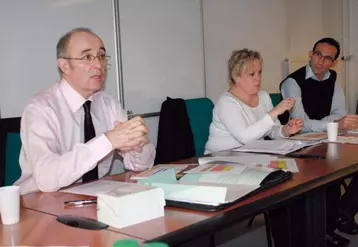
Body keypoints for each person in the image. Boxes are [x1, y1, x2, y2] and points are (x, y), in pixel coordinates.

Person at [15, 27, 155, 195]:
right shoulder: (40, 108)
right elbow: (46, 178)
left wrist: (139, 144)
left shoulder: (108, 104)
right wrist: (107, 141)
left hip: (94, 197)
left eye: (101, 56)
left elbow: (139, 165)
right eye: (87, 57)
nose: (99, 65)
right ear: (64, 66)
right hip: (39, 203)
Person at [281, 37, 358, 247]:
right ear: (310, 54)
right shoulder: (292, 82)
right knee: (330, 169)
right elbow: (300, 124)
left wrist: (332, 124)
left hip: (327, 138)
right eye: (317, 54)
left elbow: (339, 113)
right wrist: (331, 124)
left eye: (327, 58)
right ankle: (324, 229)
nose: (320, 61)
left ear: (334, 63)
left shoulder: (332, 79)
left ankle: (342, 213)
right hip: (297, 144)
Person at [205, 48, 302, 154]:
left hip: (250, 158)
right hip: (219, 161)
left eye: (259, 72)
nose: (258, 78)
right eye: (252, 74)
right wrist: (275, 112)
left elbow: (271, 130)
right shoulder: (226, 103)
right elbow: (245, 137)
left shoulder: (264, 96)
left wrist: (286, 130)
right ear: (236, 76)